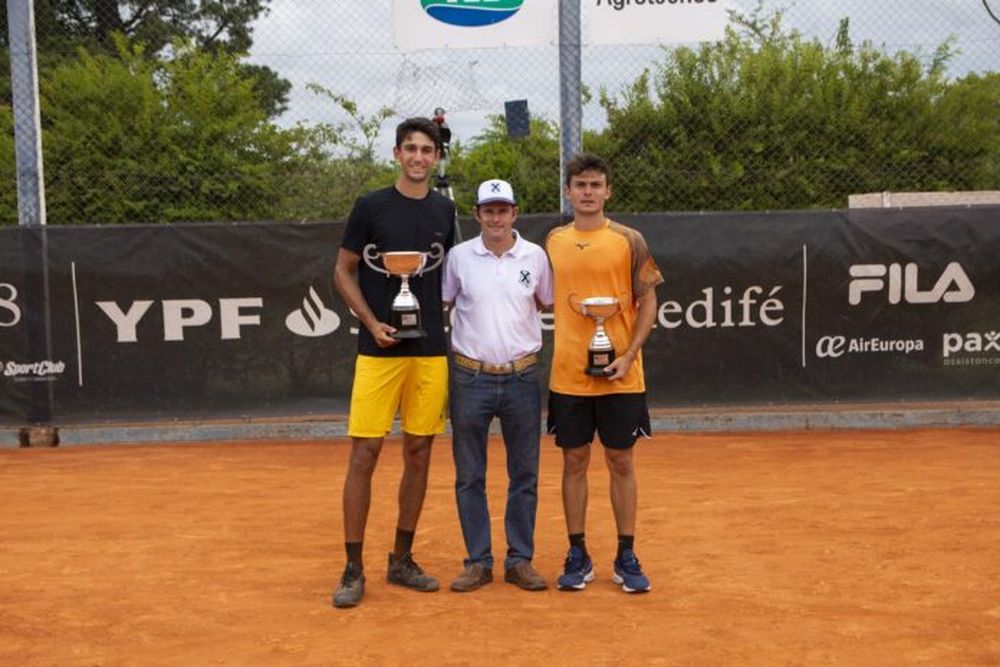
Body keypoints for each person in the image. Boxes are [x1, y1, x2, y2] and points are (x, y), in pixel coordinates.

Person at [331, 117, 457, 608]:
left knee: (420, 453)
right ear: (396, 154)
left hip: (428, 352)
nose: (419, 156)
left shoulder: (446, 211)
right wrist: (370, 321)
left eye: (427, 149)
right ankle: (352, 566)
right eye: (411, 148)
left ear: (436, 157)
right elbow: (342, 270)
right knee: (364, 454)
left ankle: (401, 559)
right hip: (378, 351)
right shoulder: (371, 206)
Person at [545, 153, 663, 594]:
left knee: (621, 461)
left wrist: (630, 353)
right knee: (574, 461)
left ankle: (626, 554)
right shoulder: (553, 242)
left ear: (608, 191)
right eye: (581, 185)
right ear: (568, 191)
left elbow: (648, 299)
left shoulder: (630, 239)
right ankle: (577, 553)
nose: (589, 192)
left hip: (621, 375)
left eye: (596, 185)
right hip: (568, 375)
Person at [442, 179, 553, 593]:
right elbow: (446, 301)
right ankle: (477, 562)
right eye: (488, 210)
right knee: (470, 475)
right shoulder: (458, 258)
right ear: (477, 215)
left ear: (515, 214)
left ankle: (520, 560)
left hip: (522, 376)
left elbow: (543, 300)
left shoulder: (536, 256)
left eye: (502, 210)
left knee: (524, 473)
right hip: (469, 376)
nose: (495, 218)